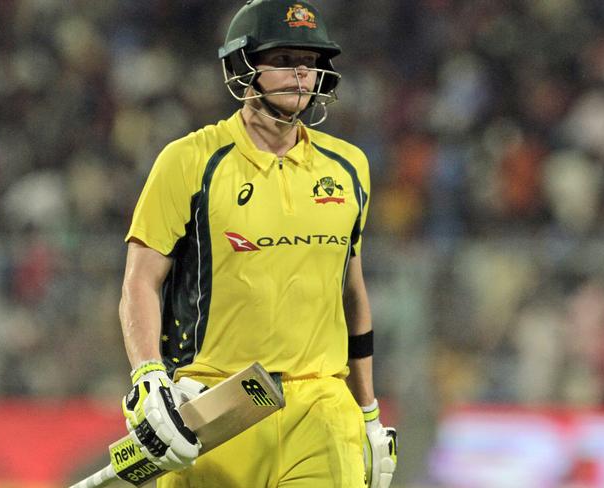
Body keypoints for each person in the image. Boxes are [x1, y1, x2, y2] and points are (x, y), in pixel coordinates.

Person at [119, 1, 397, 486]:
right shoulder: (189, 160)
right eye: (284, 59)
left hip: (322, 407)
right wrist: (148, 377)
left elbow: (351, 291)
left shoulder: (349, 167)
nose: (301, 74)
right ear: (242, 65)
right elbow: (140, 280)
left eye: (310, 62)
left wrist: (368, 411)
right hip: (216, 405)